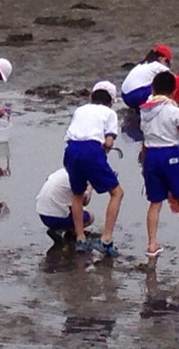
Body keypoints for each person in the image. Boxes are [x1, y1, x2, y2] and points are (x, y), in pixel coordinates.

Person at [140, 71, 179, 257]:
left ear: (153, 89)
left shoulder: (145, 110)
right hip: (170, 155)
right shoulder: (174, 110)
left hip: (150, 155)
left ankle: (152, 244)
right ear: (174, 91)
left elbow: (144, 137)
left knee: (155, 202)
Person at [62, 80, 124, 254]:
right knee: (117, 193)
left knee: (77, 194)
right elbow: (109, 141)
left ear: (91, 96)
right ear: (111, 101)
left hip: (71, 150)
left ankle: (80, 238)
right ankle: (106, 239)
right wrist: (105, 149)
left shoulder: (80, 110)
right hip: (91, 151)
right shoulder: (110, 113)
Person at [36, 167, 94, 243]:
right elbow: (84, 201)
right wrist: (90, 187)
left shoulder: (60, 173)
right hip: (55, 217)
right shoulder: (77, 178)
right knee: (90, 216)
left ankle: (66, 230)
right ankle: (64, 230)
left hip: (43, 213)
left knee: (69, 205)